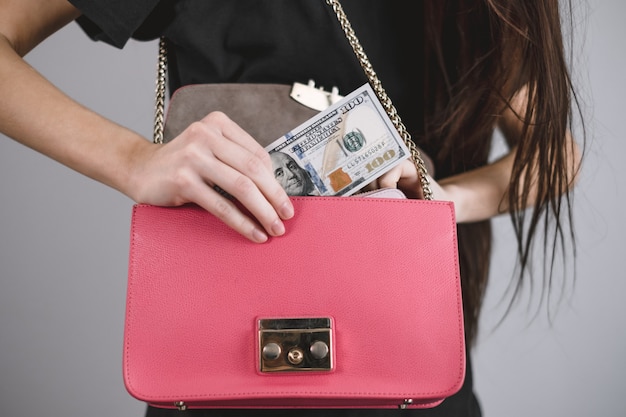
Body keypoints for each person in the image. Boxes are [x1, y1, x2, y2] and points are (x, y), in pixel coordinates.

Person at [0, 1, 584, 416]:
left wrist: (438, 204)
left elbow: (556, 151)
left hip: (409, 382)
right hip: (213, 388)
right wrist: (131, 159)